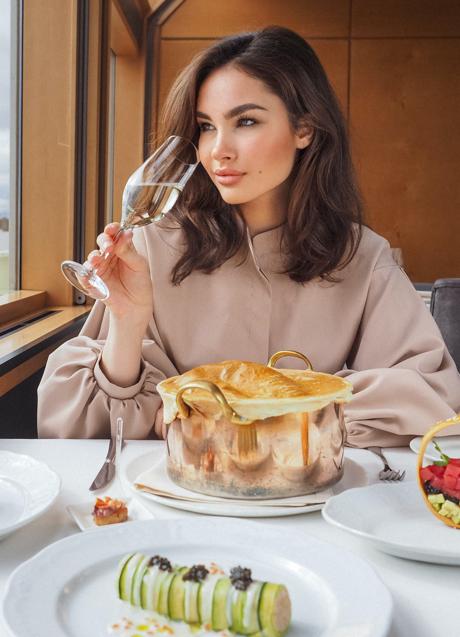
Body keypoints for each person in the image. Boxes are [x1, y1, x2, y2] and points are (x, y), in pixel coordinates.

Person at [38, 26, 460, 445]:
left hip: (314, 502)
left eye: (245, 121)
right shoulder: (152, 247)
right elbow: (74, 430)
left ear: (304, 130)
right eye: (205, 126)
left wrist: (257, 417)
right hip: (176, 498)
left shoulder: (362, 256)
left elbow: (434, 401)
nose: (219, 149)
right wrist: (127, 325)